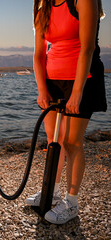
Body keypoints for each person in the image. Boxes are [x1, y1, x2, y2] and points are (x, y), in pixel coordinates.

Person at [25, 0, 107, 224]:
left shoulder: (83, 1)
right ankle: (53, 191)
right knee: (54, 140)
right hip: (52, 80)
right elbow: (39, 53)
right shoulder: (43, 6)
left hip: (83, 78)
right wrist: (42, 89)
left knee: (72, 142)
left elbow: (88, 48)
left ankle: (71, 203)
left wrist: (77, 93)